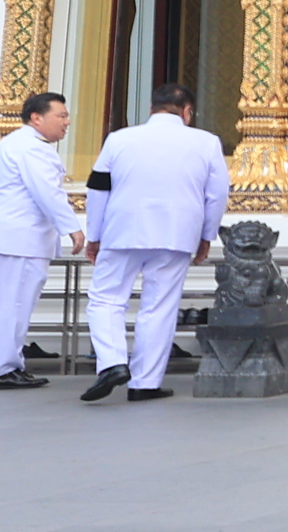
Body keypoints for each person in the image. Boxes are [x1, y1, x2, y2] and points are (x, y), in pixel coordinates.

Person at [81, 84, 229, 404]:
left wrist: (94, 234)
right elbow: (216, 195)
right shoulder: (206, 142)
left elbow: (98, 189)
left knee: (106, 299)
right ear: (187, 112)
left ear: (152, 110)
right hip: (176, 233)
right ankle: (145, 382)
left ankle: (112, 362)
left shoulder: (119, 139)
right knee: (159, 306)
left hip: (122, 229)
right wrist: (207, 235)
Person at [0, 93, 78, 389]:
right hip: (18, 239)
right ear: (36, 118)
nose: (67, 122)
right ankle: (1, 369)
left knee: (4, 305)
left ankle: (5, 365)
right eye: (61, 116)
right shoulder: (35, 148)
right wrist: (73, 228)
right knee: (14, 304)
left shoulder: (9, 144)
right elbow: (48, 192)